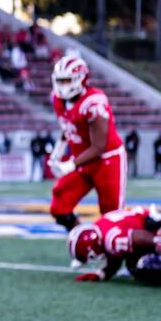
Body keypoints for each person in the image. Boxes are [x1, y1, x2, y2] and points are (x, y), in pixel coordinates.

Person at [48, 55, 125, 231]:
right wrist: (57, 152)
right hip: (82, 161)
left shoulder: (94, 102)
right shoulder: (57, 99)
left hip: (106, 160)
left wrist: (70, 165)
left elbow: (99, 147)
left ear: (81, 79)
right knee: (59, 204)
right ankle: (84, 241)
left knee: (112, 217)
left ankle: (114, 254)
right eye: (60, 81)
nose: (63, 86)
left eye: (67, 81)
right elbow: (67, 126)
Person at [68, 205, 161, 284]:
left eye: (91, 257)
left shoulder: (111, 240)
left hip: (155, 227)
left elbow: (139, 237)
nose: (93, 259)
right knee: (132, 262)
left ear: (94, 247)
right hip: (152, 221)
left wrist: (157, 241)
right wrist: (101, 274)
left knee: (143, 265)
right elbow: (116, 259)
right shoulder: (100, 227)